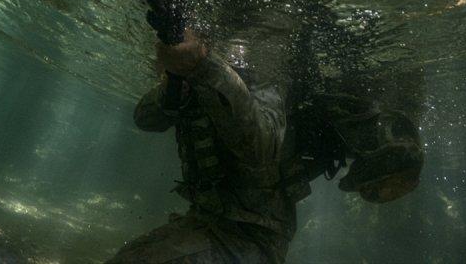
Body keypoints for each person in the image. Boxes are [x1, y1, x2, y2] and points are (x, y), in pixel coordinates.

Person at [109, 28, 424, 263]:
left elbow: (261, 144)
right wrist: (174, 85)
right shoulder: (205, 73)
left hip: (251, 236)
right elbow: (145, 119)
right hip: (208, 221)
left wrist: (204, 66)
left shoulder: (265, 67)